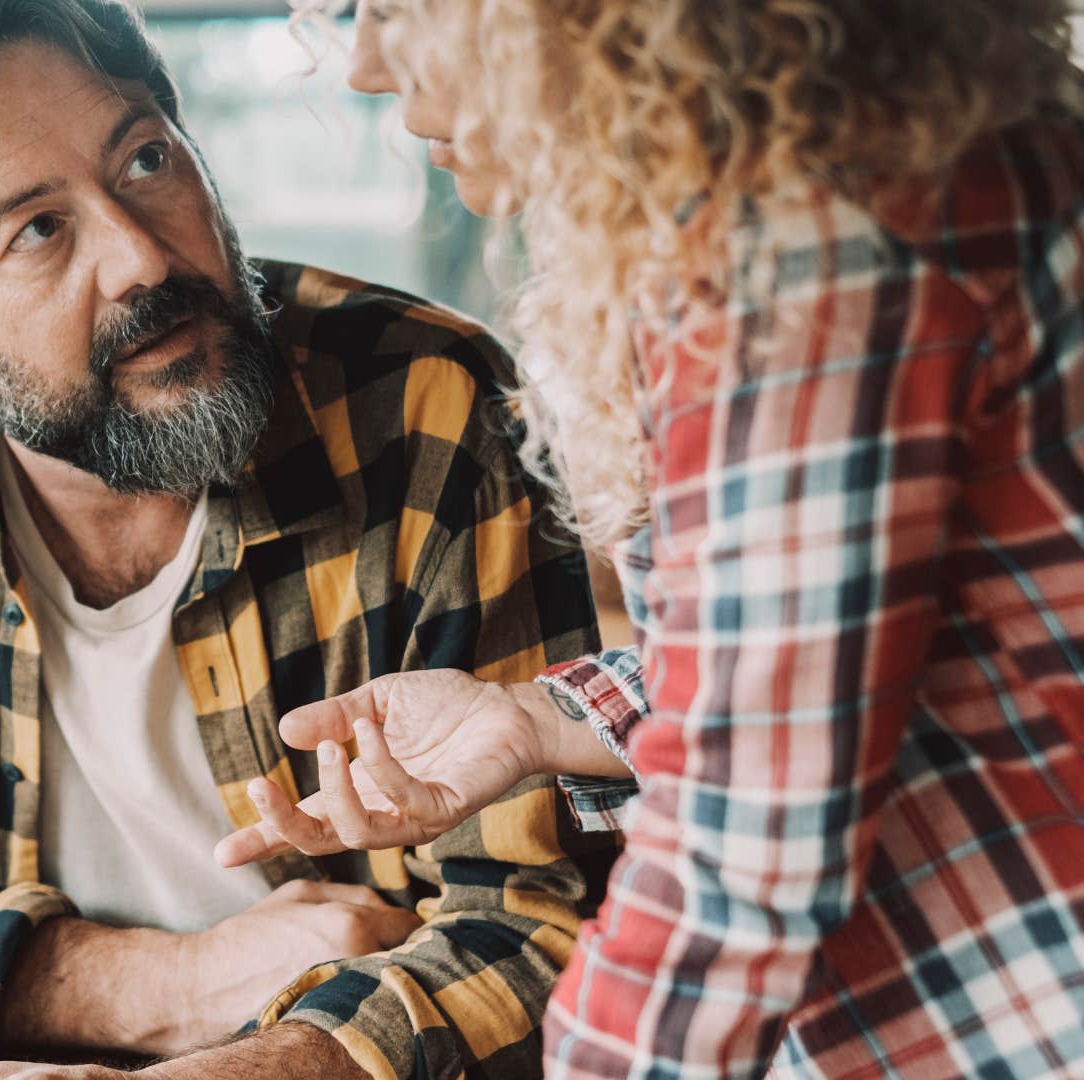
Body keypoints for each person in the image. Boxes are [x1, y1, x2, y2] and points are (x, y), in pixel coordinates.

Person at [0, 0, 617, 1077]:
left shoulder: (426, 400)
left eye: (148, 159)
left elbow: (536, 924)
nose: (141, 258)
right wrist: (163, 988)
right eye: (39, 228)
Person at [218, 2, 1084, 1077]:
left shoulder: (810, 252)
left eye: (396, 7)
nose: (365, 66)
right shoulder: (872, 175)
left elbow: (743, 856)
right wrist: (535, 717)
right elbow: (860, 669)